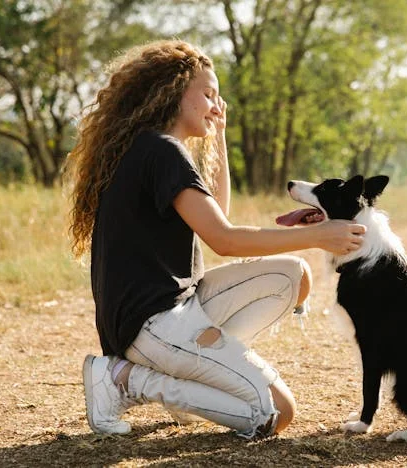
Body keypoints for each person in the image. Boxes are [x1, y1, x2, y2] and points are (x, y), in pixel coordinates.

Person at [64, 40, 366, 439]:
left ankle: (192, 377)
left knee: (294, 277)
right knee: (276, 413)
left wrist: (218, 135)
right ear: (172, 92)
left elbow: (216, 218)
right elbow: (224, 240)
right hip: (151, 325)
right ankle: (128, 380)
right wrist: (318, 235)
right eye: (207, 94)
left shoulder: (153, 149)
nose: (215, 104)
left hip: (175, 309)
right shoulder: (161, 151)